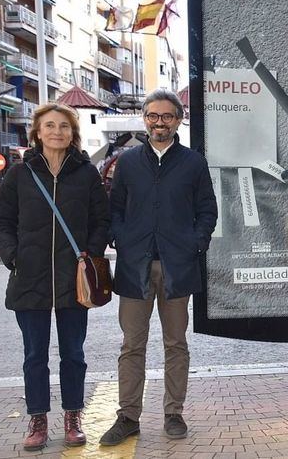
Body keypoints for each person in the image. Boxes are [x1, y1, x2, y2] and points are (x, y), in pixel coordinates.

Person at [100, 89, 218, 445]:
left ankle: (173, 413)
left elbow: (207, 210)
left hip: (176, 266)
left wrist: (195, 243)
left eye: (167, 116)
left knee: (175, 344)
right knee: (132, 345)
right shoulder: (129, 161)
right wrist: (120, 237)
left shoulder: (193, 162)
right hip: (134, 267)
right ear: (145, 119)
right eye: (153, 116)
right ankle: (128, 417)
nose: (159, 122)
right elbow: (115, 207)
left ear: (178, 120)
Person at [0, 103, 110, 451]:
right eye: (50, 126)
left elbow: (101, 221)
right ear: (37, 132)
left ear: (73, 133)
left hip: (75, 280)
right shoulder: (19, 174)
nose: (57, 131)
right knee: (34, 356)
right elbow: (2, 223)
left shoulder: (87, 174)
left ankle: (73, 416)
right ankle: (38, 419)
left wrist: (90, 252)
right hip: (30, 278)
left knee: (73, 353)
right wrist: (14, 257)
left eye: (64, 126)